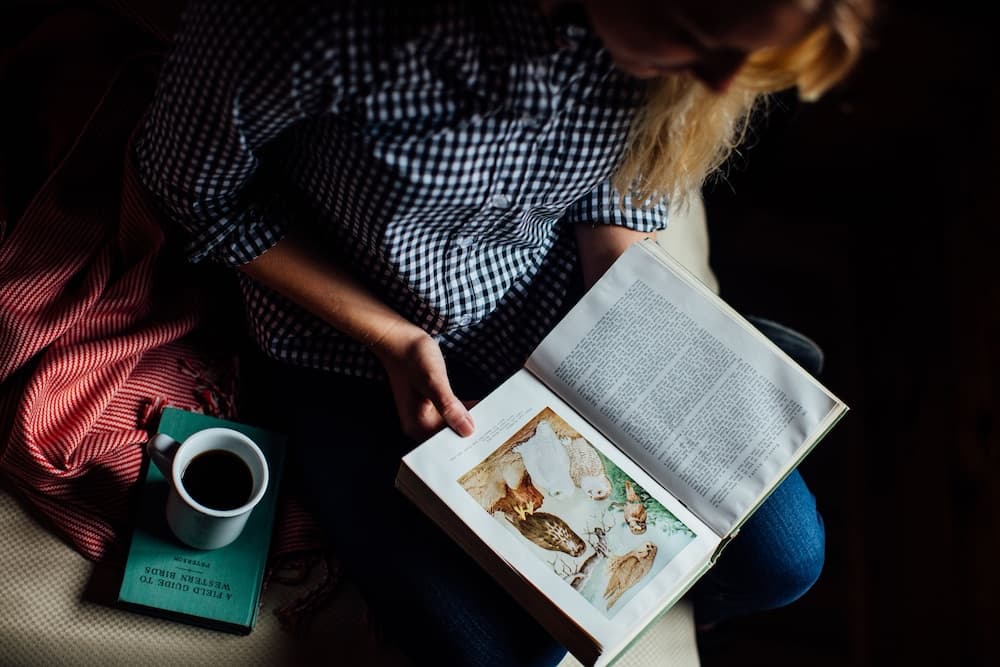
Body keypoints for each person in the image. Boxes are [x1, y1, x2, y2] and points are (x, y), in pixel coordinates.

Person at [136, 1, 871, 664]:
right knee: (503, 655)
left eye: (746, 55)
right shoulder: (319, 26)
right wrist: (393, 338)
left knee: (787, 562)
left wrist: (624, 300)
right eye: (696, 32)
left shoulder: (665, 60)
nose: (719, 81)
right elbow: (189, 191)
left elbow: (621, 183)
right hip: (350, 348)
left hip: (551, 299)